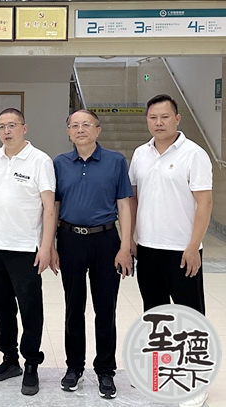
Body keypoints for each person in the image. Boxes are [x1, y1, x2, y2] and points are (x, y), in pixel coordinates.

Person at [129, 94, 213, 407]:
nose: (159, 123)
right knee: (156, 314)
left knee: (190, 316)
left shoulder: (194, 154)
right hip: (148, 249)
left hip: (182, 250)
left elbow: (205, 203)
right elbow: (133, 200)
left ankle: (196, 381)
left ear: (177, 119)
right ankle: (161, 372)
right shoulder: (141, 154)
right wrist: (130, 238)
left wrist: (193, 246)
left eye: (165, 117)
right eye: (153, 117)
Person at [50, 109, 133, 399]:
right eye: (74, 125)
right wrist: (51, 245)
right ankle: (74, 367)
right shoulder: (59, 163)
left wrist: (126, 246)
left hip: (106, 240)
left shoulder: (115, 161)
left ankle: (105, 370)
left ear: (98, 130)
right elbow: (54, 207)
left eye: (86, 124)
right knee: (73, 307)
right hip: (70, 240)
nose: (80, 129)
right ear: (68, 132)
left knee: (105, 308)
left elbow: (124, 205)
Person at [0, 108, 55, 396]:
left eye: (12, 125)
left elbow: (49, 207)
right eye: (1, 126)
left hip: (25, 248)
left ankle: (31, 362)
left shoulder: (40, 160)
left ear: (24, 128)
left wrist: (45, 246)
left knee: (30, 308)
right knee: (2, 306)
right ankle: (10, 359)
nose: (6, 131)